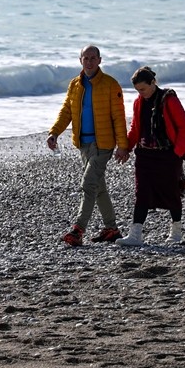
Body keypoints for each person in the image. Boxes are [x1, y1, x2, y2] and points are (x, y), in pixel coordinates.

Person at [46, 45, 130, 246]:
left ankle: (78, 230)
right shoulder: (75, 85)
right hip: (83, 144)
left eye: (93, 58)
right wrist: (54, 132)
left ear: (100, 60)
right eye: (86, 58)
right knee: (99, 188)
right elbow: (66, 111)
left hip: (103, 144)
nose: (89, 62)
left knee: (88, 184)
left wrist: (123, 146)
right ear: (80, 60)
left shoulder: (110, 84)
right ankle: (112, 229)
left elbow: (119, 117)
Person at [118, 65, 185, 246]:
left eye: (143, 89)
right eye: (138, 90)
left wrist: (176, 154)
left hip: (168, 155)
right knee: (141, 193)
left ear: (153, 82)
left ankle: (176, 232)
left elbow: (184, 128)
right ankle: (135, 234)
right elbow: (135, 129)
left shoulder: (169, 100)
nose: (141, 93)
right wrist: (125, 148)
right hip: (144, 155)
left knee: (171, 193)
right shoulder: (139, 102)